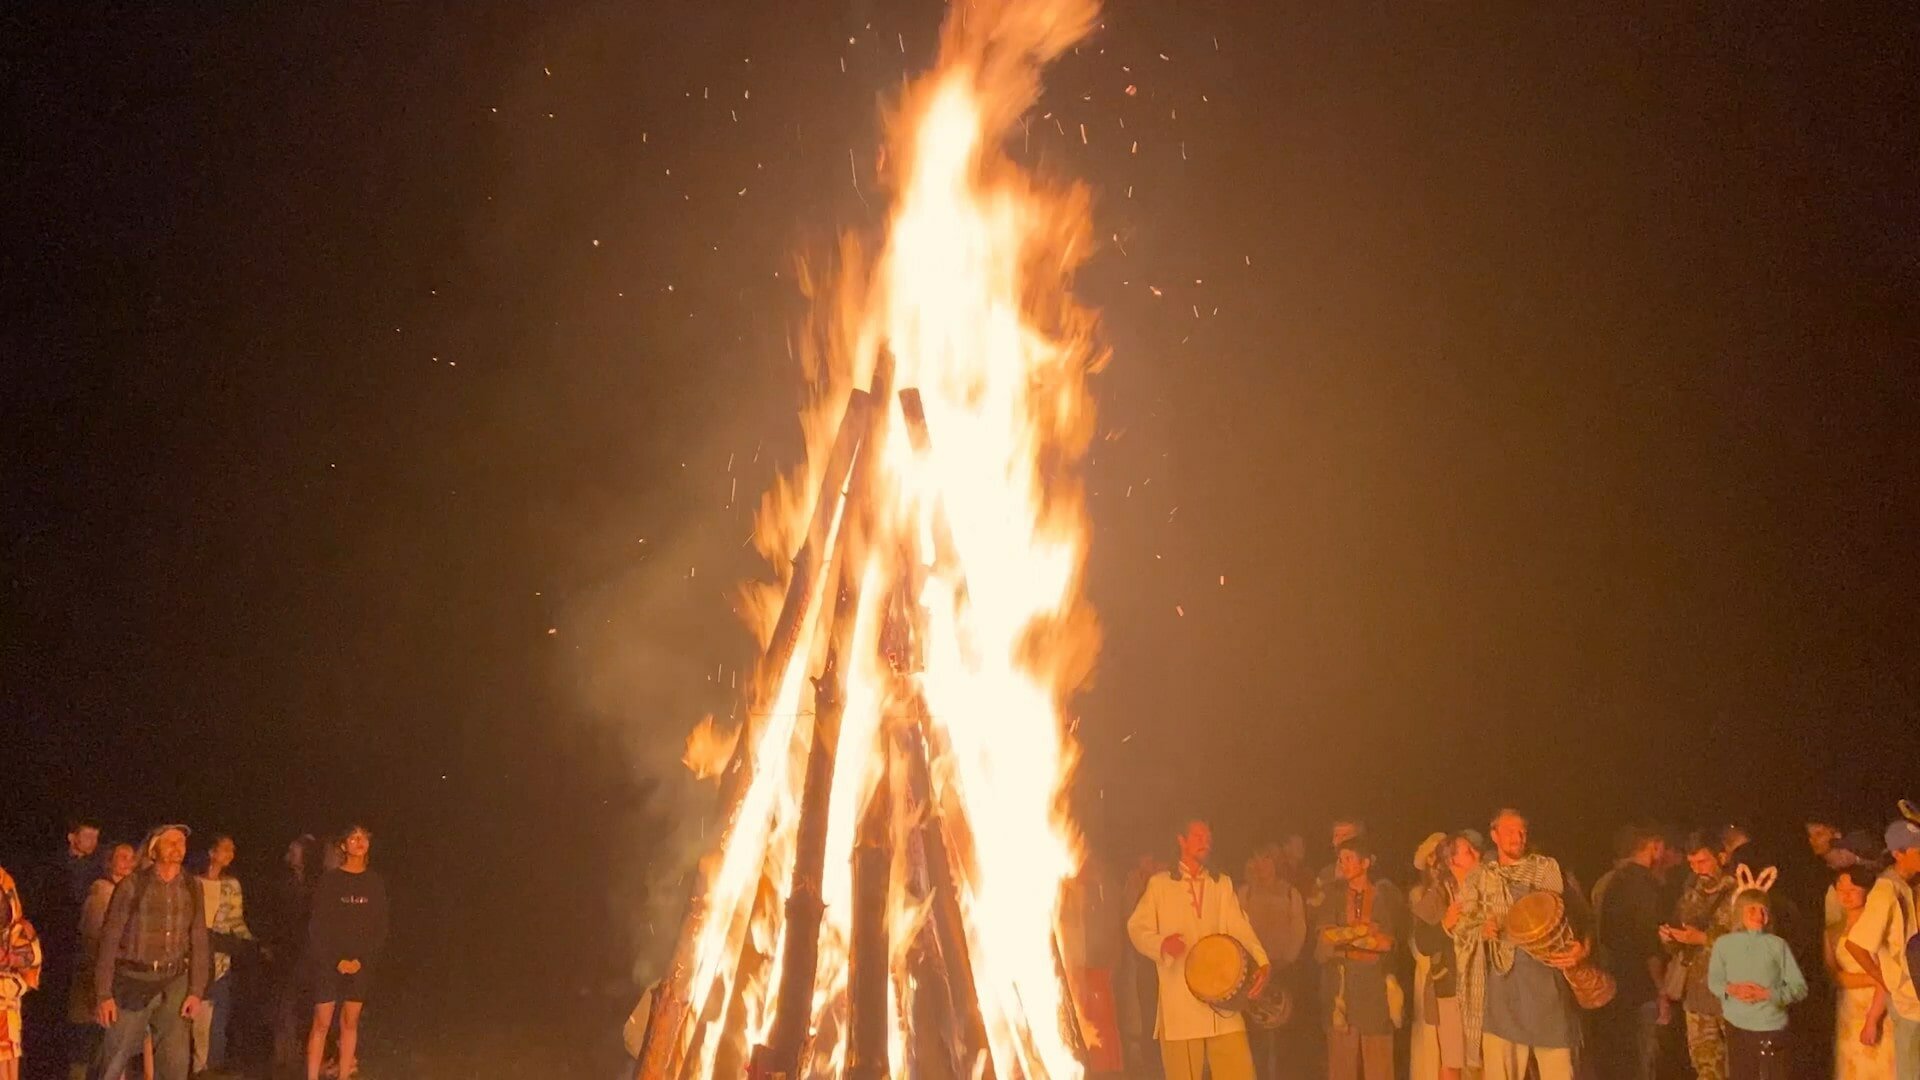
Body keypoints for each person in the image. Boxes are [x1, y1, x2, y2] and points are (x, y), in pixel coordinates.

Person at [1126, 817, 1269, 1080]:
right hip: (1180, 1004)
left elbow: (1240, 927)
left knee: (1240, 1073)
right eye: (1198, 837)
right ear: (1181, 841)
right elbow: (1136, 928)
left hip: (1224, 1000)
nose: (1206, 842)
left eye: (1208, 838)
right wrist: (1161, 944)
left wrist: (1262, 961)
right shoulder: (1160, 884)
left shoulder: (1221, 884)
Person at [1452, 808, 1585, 1080]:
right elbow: (1463, 927)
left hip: (1546, 986)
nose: (1518, 837)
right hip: (1502, 991)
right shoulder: (1480, 878)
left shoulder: (1546, 869)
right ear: (1494, 835)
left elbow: (1579, 917)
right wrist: (1482, 929)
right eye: (1510, 831)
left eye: (1522, 831)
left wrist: (1583, 948)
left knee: (1560, 1071)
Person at [88, 825, 209, 1080]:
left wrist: (196, 990)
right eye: (170, 842)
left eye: (181, 842)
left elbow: (199, 938)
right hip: (133, 980)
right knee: (114, 1057)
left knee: (175, 1063)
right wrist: (103, 994)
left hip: (174, 980)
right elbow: (109, 941)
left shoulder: (191, 886)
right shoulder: (132, 885)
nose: (177, 847)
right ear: (154, 850)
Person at [305, 826, 387, 1080]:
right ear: (343, 845)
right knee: (322, 1021)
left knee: (350, 1022)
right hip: (329, 963)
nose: (360, 842)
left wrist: (361, 960)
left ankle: (344, 1074)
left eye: (364, 838)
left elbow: (379, 927)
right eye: (354, 838)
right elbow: (318, 926)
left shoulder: (374, 882)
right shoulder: (330, 881)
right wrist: (336, 960)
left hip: (359, 964)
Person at [1314, 838, 1400, 1080]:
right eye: (1340, 859)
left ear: (1365, 862)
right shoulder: (1333, 897)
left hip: (1375, 991)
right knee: (1341, 1066)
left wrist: (1346, 938)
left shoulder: (1383, 896)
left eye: (1349, 858)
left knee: (1379, 1066)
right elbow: (1326, 938)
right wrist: (1363, 932)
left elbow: (1386, 942)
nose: (1343, 864)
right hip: (1342, 991)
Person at [1845, 820, 1920, 1079]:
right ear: (1899, 854)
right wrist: (1884, 979)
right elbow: (1856, 944)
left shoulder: (1908, 885)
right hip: (1907, 1001)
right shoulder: (1886, 890)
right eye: (1917, 851)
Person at [1709, 880, 1807, 1079]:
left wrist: (1767, 994)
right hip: (1737, 1028)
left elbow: (1799, 988)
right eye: (1752, 910)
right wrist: (1733, 990)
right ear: (1739, 912)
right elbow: (1715, 982)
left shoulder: (1778, 945)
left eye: (1763, 910)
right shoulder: (1724, 945)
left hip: (1771, 1028)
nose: (1759, 915)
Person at [1595, 825, 1671, 1080]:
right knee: (1644, 1059)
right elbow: (1649, 942)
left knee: (1622, 1059)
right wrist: (1661, 989)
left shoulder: (1611, 883)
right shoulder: (1645, 886)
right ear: (1654, 847)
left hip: (1615, 983)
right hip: (1643, 987)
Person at [1662, 832, 1738, 1080]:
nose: (1697, 869)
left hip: (1734, 996)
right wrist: (1671, 938)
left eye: (1703, 861)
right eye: (1692, 863)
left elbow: (1752, 943)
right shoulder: (1690, 894)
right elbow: (1680, 942)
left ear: (1722, 857)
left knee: (1741, 1067)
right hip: (1697, 997)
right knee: (1706, 1069)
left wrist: (1704, 939)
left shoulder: (1741, 894)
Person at [1410, 833, 1477, 1080]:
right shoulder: (1438, 894)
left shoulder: (1486, 888)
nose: (1478, 855)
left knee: (1481, 1062)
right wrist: (1445, 925)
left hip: (1483, 987)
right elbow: (1423, 942)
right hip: (1451, 987)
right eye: (1469, 852)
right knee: (1453, 1059)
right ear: (1452, 861)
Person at [1237, 845, 1305, 1080]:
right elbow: (1236, 928)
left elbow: (1298, 930)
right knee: (1255, 1036)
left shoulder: (1290, 893)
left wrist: (1286, 960)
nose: (1262, 865)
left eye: (1267, 859)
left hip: (1283, 970)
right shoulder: (1245, 893)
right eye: (1257, 860)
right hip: (1252, 973)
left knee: (1285, 1035)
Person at [189, 835, 252, 1076]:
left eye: (232, 850)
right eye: (225, 849)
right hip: (193, 957)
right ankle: (193, 1066)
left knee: (217, 1017)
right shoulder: (192, 882)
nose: (230, 854)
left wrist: (250, 942)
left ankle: (209, 1068)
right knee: (195, 1017)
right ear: (211, 852)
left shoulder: (231, 885)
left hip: (220, 958)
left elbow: (236, 921)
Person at [1830, 865, 1898, 1077]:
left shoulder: (1876, 927)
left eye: (1853, 889)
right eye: (1841, 890)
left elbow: (1887, 974)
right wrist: (1873, 978)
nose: (1846, 895)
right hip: (1848, 1009)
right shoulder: (1833, 931)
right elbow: (1833, 975)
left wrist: (1873, 1019)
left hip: (1879, 1006)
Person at [264, 835, 319, 1071]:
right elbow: (275, 917)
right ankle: (284, 1058)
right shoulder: (283, 883)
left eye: (295, 851)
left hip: (308, 953)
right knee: (283, 1005)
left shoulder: (316, 884)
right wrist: (270, 944)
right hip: (285, 953)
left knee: (302, 1007)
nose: (290, 854)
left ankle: (303, 1057)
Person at [2, 863, 44, 1080]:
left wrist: (11, 958)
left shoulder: (19, 929)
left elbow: (33, 957)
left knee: (9, 1059)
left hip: (7, 1007)